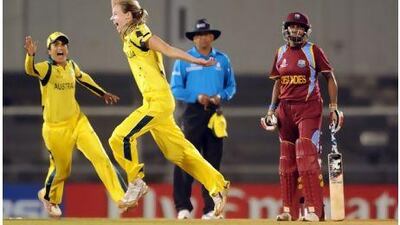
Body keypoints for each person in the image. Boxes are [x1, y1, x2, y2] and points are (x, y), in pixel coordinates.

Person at [108, 0, 230, 216]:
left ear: (128, 16)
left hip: (158, 101)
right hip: (155, 102)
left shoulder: (138, 33)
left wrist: (197, 61)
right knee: (179, 153)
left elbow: (166, 48)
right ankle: (217, 186)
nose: (113, 18)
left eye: (116, 14)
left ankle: (135, 181)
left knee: (120, 138)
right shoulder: (128, 35)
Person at [24, 32, 129, 217]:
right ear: (49, 51)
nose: (60, 47)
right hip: (55, 129)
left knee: (101, 156)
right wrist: (30, 56)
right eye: (55, 45)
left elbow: (83, 78)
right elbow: (30, 70)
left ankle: (121, 198)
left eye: (63, 44)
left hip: (78, 121)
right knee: (62, 170)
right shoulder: (46, 69)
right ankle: (49, 197)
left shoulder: (71, 65)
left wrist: (103, 93)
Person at [260, 12, 344, 222]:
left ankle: (315, 210)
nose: (296, 30)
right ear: (286, 29)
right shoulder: (280, 52)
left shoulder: (313, 51)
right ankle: (289, 210)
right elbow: (278, 83)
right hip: (285, 111)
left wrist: (333, 107)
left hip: (308, 108)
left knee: (306, 157)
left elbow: (330, 78)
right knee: (286, 161)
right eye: (292, 27)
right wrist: (272, 110)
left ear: (306, 31)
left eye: (300, 27)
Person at [169, 18, 236, 220]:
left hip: (215, 113)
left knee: (213, 162)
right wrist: (197, 97)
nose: (202, 38)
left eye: (205, 34)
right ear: (194, 38)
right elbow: (175, 88)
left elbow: (231, 87)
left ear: (212, 37)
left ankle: (210, 210)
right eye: (198, 35)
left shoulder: (222, 60)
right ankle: (183, 208)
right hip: (192, 113)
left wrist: (220, 96)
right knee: (187, 160)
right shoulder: (184, 59)